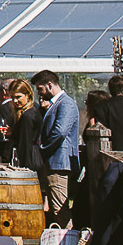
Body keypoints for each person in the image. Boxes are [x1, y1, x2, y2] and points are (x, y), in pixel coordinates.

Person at [33, 69, 80, 228]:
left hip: (59, 162)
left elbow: (60, 132)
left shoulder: (65, 103)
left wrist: (44, 149)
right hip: (56, 161)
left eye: (40, 89)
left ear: (50, 85)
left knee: (60, 208)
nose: (39, 94)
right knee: (57, 206)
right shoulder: (57, 104)